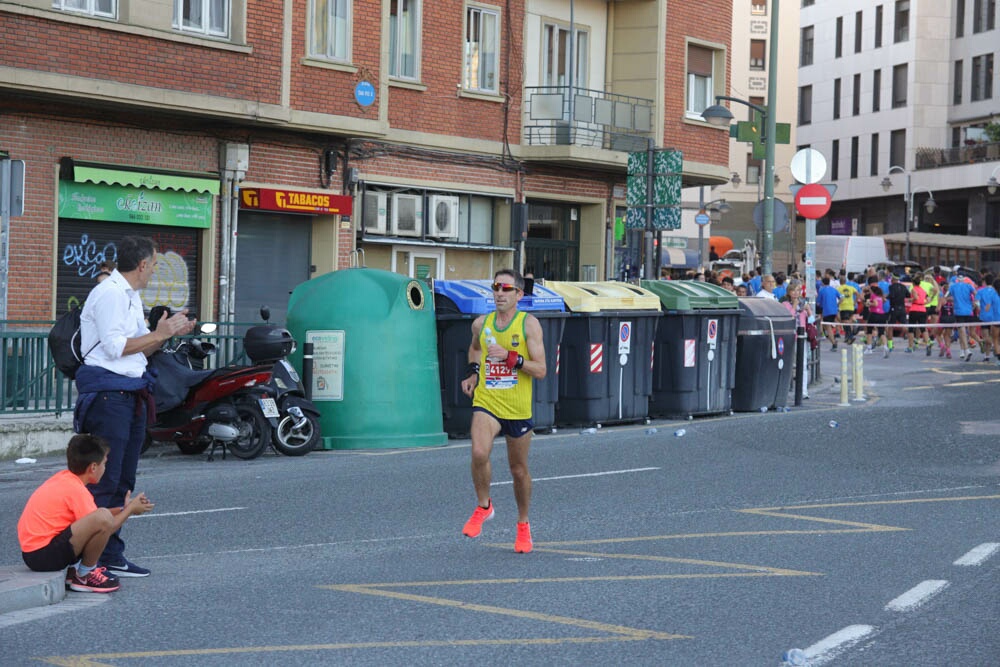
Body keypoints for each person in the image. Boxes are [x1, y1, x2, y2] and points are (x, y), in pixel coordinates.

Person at [74, 236, 195, 577]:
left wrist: (168, 332)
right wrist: (159, 334)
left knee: (123, 478)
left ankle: (111, 555)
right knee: (105, 479)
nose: (156, 269)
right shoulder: (110, 294)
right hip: (110, 395)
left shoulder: (130, 295)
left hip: (131, 392)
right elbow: (115, 348)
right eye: (155, 264)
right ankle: (88, 561)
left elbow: (142, 348)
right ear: (143, 265)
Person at [459, 269, 547, 553]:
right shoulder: (481, 324)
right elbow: (474, 349)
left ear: (518, 295)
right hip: (488, 400)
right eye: (496, 287)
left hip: (518, 407)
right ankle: (484, 506)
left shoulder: (528, 325)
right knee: (479, 452)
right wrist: (473, 372)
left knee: (518, 470)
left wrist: (512, 358)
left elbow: (541, 370)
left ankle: (523, 525)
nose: (499, 293)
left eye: (506, 288)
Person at [17, 434, 154, 593]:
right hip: (43, 556)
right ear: (93, 467)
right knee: (102, 518)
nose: (105, 468)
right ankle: (85, 574)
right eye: (104, 464)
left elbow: (92, 519)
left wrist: (124, 508)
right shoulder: (76, 489)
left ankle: (75, 571)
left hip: (35, 554)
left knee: (101, 516)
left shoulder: (65, 479)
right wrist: (130, 510)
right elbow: (105, 525)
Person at [816, 276, 842, 350]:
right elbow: (842, 297)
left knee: (828, 327)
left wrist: (821, 304)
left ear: (822, 283)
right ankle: (833, 336)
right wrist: (837, 304)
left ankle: (833, 343)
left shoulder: (821, 290)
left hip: (827, 311)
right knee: (833, 323)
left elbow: (818, 303)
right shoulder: (834, 289)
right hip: (835, 310)